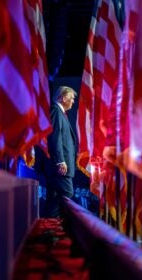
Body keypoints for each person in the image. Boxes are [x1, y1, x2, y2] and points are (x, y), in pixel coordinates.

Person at [44, 86, 77, 218]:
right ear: (63, 98)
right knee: (67, 194)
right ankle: (51, 227)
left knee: (55, 199)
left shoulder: (61, 113)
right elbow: (55, 137)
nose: (73, 101)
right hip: (60, 167)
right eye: (72, 98)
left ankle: (50, 228)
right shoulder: (56, 111)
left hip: (61, 167)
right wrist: (60, 161)